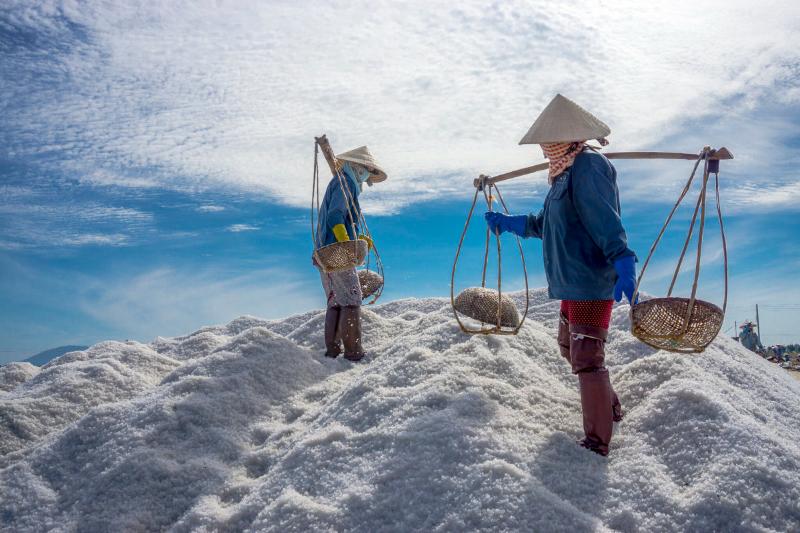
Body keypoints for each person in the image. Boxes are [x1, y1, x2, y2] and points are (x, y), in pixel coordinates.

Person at [484, 94, 637, 456]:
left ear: (565, 139)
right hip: (571, 280)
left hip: (589, 279)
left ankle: (598, 442)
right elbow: (545, 224)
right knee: (571, 348)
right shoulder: (563, 173)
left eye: (547, 142)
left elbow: (603, 217)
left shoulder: (587, 166)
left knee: (587, 355)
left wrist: (622, 257)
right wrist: (510, 224)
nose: (543, 150)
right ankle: (610, 408)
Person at [314, 146, 387, 361]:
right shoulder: (345, 182)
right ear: (355, 166)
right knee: (352, 298)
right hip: (336, 252)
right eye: (365, 170)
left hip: (323, 251)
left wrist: (357, 239)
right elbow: (336, 216)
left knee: (336, 300)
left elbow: (339, 217)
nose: (366, 176)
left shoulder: (341, 183)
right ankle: (354, 353)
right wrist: (348, 244)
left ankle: (333, 351)